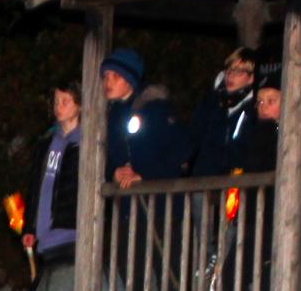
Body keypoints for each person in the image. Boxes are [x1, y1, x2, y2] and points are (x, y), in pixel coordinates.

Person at [101, 48, 187, 187]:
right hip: (127, 197)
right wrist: (114, 173)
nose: (108, 82)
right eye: (105, 76)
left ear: (130, 80)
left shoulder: (155, 108)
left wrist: (144, 175)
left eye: (116, 76)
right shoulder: (113, 114)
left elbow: (179, 152)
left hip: (159, 195)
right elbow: (111, 157)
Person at [21, 79, 82, 266]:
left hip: (71, 235)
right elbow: (36, 187)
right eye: (56, 101)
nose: (58, 107)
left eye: (65, 101)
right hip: (44, 237)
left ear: (79, 105)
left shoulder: (84, 144)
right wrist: (29, 227)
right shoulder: (46, 143)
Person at [187, 48, 261, 177]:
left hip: (237, 179)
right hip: (203, 179)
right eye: (229, 70)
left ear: (251, 78)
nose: (230, 75)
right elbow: (193, 138)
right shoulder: (210, 103)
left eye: (238, 72)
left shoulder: (255, 108)